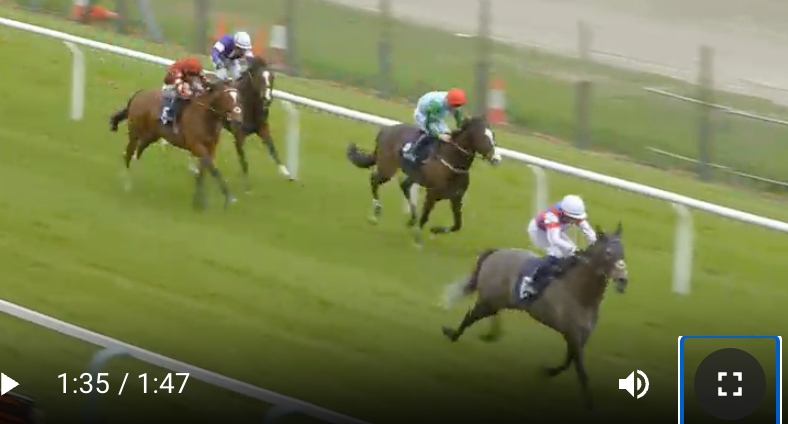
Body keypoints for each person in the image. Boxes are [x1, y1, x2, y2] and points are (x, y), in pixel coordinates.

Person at [522, 194, 598, 298]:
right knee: (556, 253)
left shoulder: (572, 212)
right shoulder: (552, 215)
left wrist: (595, 241)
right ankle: (531, 282)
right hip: (539, 231)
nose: (576, 221)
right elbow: (554, 239)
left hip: (555, 231)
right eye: (573, 218)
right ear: (565, 214)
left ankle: (560, 276)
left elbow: (587, 230)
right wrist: (572, 248)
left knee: (570, 253)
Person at [404, 89, 467, 163]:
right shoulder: (436, 105)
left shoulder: (454, 103)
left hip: (437, 117)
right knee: (429, 134)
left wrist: (461, 128)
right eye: (454, 105)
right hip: (423, 115)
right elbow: (428, 125)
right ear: (448, 101)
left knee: (448, 134)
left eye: (458, 106)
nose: (455, 108)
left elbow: (459, 119)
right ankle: (411, 151)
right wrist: (439, 135)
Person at [160, 57, 209, 132]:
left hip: (184, 80)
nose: (194, 76)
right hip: (171, 84)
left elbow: (204, 79)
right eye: (192, 74)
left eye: (195, 74)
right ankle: (168, 114)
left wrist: (206, 87)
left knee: (197, 88)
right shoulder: (177, 71)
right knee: (178, 95)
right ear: (186, 70)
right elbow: (181, 90)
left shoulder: (195, 69)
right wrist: (192, 94)